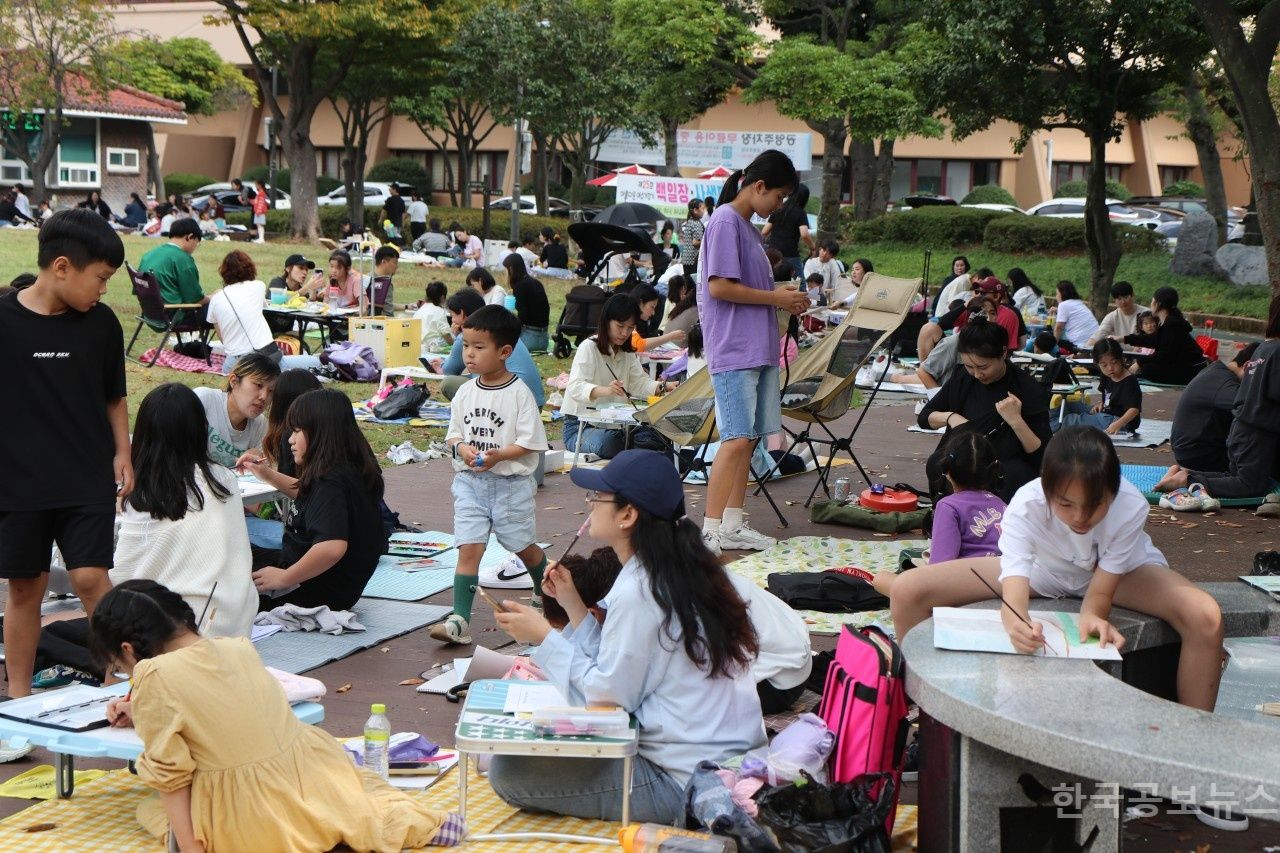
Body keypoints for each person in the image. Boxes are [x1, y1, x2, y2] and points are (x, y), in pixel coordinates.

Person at [886, 427, 1239, 830]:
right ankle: (920, 729)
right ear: (1046, 488)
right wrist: (1016, 621)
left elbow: (1100, 590)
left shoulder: (1130, 504)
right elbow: (1013, 582)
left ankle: (1196, 765)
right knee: (909, 589)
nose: (1080, 518)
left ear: (1114, 489)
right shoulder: (1025, 502)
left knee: (1206, 617)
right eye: (1066, 504)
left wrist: (1094, 615)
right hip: (1044, 573)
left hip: (1123, 574)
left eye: (1094, 505)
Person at [488, 450, 765, 823]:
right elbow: (615, 668)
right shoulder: (676, 569)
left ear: (628, 515)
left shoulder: (641, 591)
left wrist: (544, 639)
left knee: (508, 772)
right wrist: (572, 604)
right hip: (720, 759)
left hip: (685, 781)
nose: (589, 506)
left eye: (597, 498)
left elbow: (606, 702)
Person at [88, 580, 462, 851]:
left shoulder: (154, 676)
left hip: (248, 810)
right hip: (307, 777)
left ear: (127, 648)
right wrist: (143, 710)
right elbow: (218, 710)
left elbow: (171, 777)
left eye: (121, 666)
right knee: (362, 798)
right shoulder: (235, 647)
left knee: (150, 809)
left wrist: (189, 847)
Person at [0, 209, 129, 698]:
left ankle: (122, 681)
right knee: (24, 589)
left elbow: (113, 397)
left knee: (91, 577)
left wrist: (124, 452)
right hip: (17, 481)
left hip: (84, 474)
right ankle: (19, 699)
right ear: (61, 267)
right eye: (100, 278)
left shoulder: (101, 325)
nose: (103, 289)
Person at [543, 544, 811, 715]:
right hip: (789, 654)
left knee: (645, 703)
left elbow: (616, 686)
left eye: (567, 630)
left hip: (777, 680)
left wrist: (549, 642)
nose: (591, 507)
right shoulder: (639, 572)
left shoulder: (636, 600)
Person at [699, 150, 810, 554]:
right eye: (779, 197)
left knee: (748, 441)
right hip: (734, 348)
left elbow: (743, 288)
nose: (779, 207)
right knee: (735, 439)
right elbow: (720, 287)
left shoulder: (744, 225)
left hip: (755, 348)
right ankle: (710, 529)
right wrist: (776, 299)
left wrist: (779, 296)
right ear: (759, 187)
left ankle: (731, 523)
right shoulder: (726, 221)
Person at [430, 306, 549, 646]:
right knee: (469, 548)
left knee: (523, 546)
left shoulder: (518, 393)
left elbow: (530, 443)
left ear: (504, 352)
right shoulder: (464, 392)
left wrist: (498, 455)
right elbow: (453, 436)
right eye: (466, 344)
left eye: (479, 347)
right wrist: (462, 449)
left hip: (510, 485)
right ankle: (459, 619)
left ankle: (542, 587)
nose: (469, 353)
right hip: (470, 483)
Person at [112, 384, 257, 638]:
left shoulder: (147, 491)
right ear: (200, 430)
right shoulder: (223, 478)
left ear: (145, 434)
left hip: (176, 632)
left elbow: (123, 577)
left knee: (57, 631)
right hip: (236, 623)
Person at [247, 388, 386, 610]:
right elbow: (309, 495)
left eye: (297, 431)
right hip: (332, 584)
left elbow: (332, 547)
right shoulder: (348, 470)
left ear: (320, 431)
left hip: (311, 589)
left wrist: (284, 578)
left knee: (226, 565)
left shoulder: (330, 482)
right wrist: (267, 474)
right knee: (241, 552)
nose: (290, 440)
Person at [1156, 294, 1280, 499]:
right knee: (1250, 485)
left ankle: (1185, 474)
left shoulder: (1263, 350)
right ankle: (1189, 481)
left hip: (1242, 430)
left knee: (1234, 475)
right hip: (1257, 434)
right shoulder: (1276, 351)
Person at [919, 318, 1051, 501]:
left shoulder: (1027, 388)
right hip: (964, 456)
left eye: (983, 367)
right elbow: (925, 417)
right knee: (936, 463)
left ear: (1003, 353)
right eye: (969, 366)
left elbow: (1041, 455)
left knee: (1014, 475)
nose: (977, 374)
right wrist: (950, 417)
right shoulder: (963, 378)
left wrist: (1015, 420)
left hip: (1003, 462)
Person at [562, 294, 675, 460]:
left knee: (658, 435)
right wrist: (605, 390)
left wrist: (664, 387)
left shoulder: (626, 352)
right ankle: (637, 453)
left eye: (630, 328)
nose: (624, 333)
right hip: (581, 426)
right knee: (610, 443)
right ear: (606, 321)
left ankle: (634, 452)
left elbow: (639, 384)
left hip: (617, 427)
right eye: (620, 326)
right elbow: (575, 387)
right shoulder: (589, 347)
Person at [1170, 343, 1257, 472]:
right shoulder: (1225, 384)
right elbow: (1254, 409)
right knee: (1257, 467)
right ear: (1248, 366)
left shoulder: (1217, 372)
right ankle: (1186, 479)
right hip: (1198, 454)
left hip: (1191, 449)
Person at [195, 353, 280, 467]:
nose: (264, 397)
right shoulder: (203, 400)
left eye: (271, 391)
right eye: (258, 385)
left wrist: (257, 457)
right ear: (234, 381)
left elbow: (264, 473)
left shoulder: (261, 426)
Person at [207, 250, 277, 373]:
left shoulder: (217, 298)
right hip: (262, 357)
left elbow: (222, 336)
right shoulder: (259, 286)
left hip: (233, 364)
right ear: (251, 268)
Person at [1054, 339, 1141, 435]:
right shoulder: (1106, 375)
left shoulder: (1130, 381)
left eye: (1114, 362)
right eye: (1104, 365)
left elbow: (1134, 410)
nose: (1110, 368)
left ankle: (1051, 426)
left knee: (1073, 419)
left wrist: (1118, 424)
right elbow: (1108, 396)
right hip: (1106, 413)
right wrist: (1102, 404)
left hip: (1119, 422)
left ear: (1122, 359)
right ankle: (1046, 421)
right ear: (1098, 364)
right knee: (1068, 405)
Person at [1122, 286, 1205, 386]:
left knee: (1148, 370)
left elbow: (1163, 354)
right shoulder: (1169, 321)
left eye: (1152, 301)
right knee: (1148, 367)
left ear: (1159, 304)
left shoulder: (1172, 325)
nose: (1151, 304)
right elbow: (1153, 339)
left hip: (1193, 370)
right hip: (1190, 366)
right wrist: (1124, 339)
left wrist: (1139, 363)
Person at [138, 217, 210, 325]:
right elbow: (195, 300)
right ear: (190, 237)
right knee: (221, 309)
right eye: (197, 243)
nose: (195, 247)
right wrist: (214, 297)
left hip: (151, 315)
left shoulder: (149, 255)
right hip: (175, 315)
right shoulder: (183, 259)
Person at [761, 183, 813, 279]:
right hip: (790, 253)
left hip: (773, 254)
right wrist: (812, 247)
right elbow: (804, 234)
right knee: (799, 283)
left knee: (771, 280)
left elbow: (764, 232)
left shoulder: (778, 209)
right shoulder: (800, 213)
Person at [503, 252, 550, 352]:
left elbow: (523, 315)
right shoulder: (536, 283)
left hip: (529, 339)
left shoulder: (520, 286)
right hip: (544, 339)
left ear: (510, 269)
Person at [628, 283, 686, 351]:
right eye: (652, 307)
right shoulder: (627, 318)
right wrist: (670, 336)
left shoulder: (637, 320)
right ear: (641, 303)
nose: (653, 313)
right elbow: (638, 345)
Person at [1087, 280, 1139, 345]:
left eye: (1126, 297)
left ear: (1132, 295)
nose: (1123, 302)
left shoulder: (1146, 313)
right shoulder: (1112, 317)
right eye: (1119, 299)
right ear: (1115, 301)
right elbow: (1099, 335)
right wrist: (1083, 351)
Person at [1052, 280, 1099, 349]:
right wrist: (1058, 310)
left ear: (1062, 294)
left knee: (1051, 338)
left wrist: (1052, 346)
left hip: (1080, 344)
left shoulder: (1063, 305)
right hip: (1096, 341)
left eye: (1057, 294)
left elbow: (1059, 328)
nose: (1056, 296)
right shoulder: (1078, 302)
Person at [413, 280, 452, 355]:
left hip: (418, 348)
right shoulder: (440, 311)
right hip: (434, 350)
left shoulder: (419, 310)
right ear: (442, 297)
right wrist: (453, 344)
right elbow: (446, 334)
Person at [364, 245, 399, 314]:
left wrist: (407, 306)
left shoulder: (366, 279)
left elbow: (386, 305)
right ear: (384, 262)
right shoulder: (385, 283)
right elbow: (388, 312)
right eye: (395, 262)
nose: (396, 266)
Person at [680, 198, 705, 277]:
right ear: (695, 210)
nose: (704, 211)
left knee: (688, 284)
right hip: (694, 260)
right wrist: (707, 241)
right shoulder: (697, 223)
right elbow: (695, 242)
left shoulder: (689, 221)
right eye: (702, 208)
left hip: (686, 260)